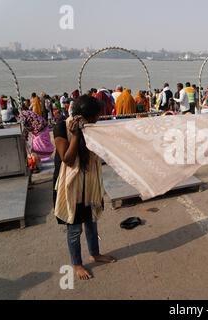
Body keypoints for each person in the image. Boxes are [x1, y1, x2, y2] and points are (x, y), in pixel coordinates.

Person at [53, 95, 117, 281]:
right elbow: (68, 158)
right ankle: (77, 264)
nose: (97, 120)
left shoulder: (90, 128)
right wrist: (75, 136)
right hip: (70, 186)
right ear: (83, 117)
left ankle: (95, 254)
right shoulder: (61, 127)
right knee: (74, 228)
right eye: (95, 117)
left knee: (91, 222)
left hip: (89, 184)